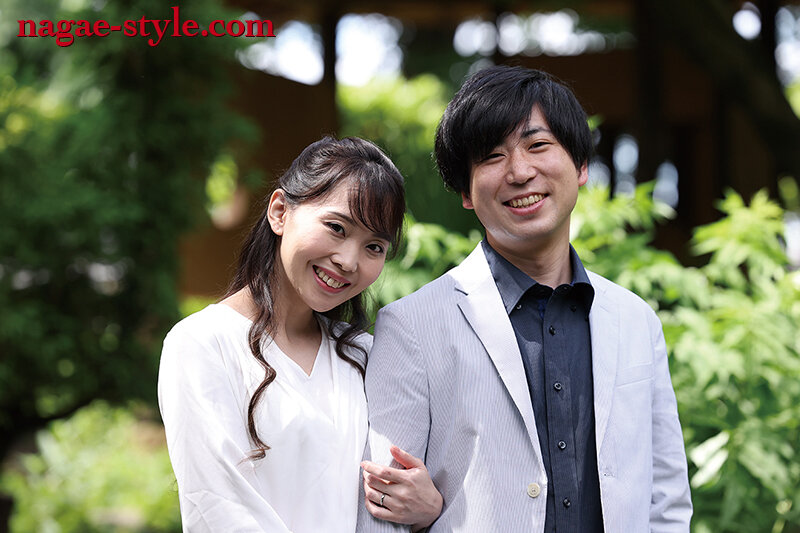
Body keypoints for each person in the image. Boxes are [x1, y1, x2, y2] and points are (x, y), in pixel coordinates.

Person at [357, 66, 692, 532]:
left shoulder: (635, 319)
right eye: (492, 156)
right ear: (466, 192)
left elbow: (667, 499)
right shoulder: (412, 325)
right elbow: (382, 508)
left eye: (537, 145)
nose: (519, 172)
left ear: (581, 166)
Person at [159, 137, 442, 532]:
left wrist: (430, 508)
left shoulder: (365, 354)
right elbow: (219, 510)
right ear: (280, 212)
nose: (348, 261)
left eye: (374, 247)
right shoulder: (202, 343)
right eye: (337, 227)